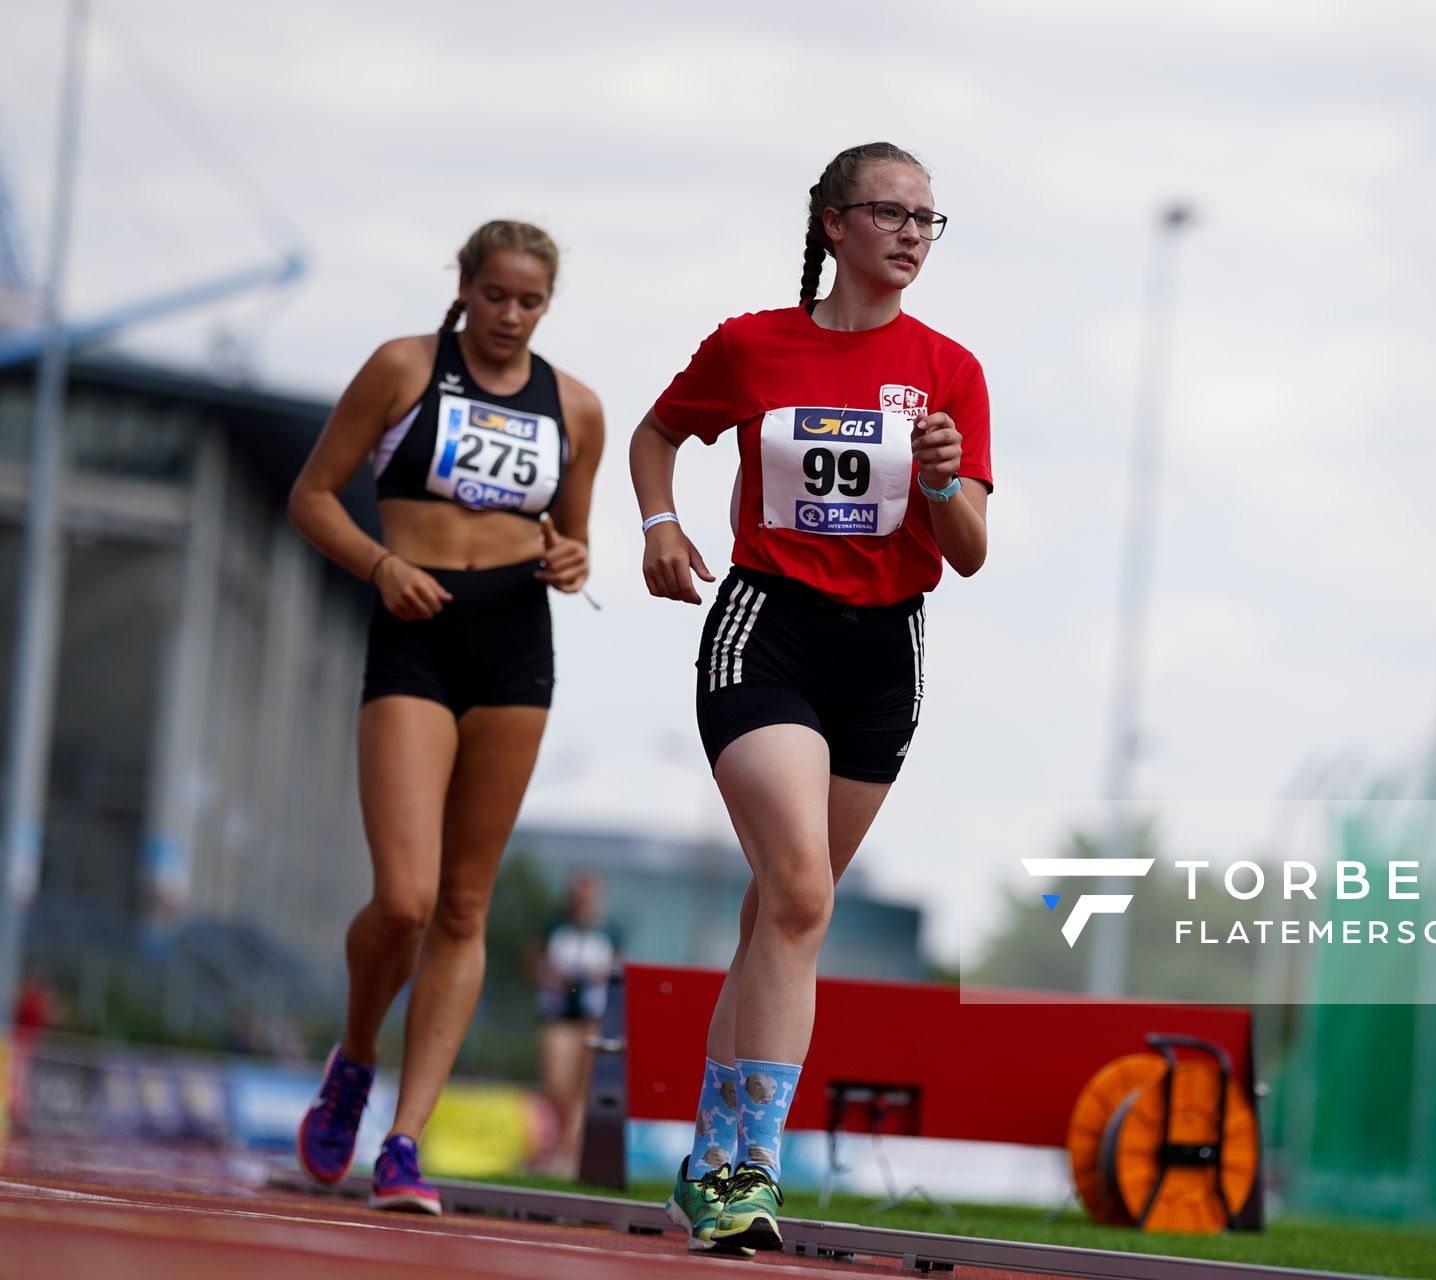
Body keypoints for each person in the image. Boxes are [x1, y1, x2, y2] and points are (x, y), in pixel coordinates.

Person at [631, 142, 991, 1252]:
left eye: (930, 219)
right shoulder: (753, 346)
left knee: (778, 910)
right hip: (766, 629)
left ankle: (709, 1148)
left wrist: (938, 476)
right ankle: (748, 1168)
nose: (913, 234)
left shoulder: (950, 369)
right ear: (834, 223)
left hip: (883, 656)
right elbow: (659, 432)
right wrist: (660, 521)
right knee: (798, 892)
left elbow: (970, 551)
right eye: (891, 212)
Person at [286, 220, 604, 1214]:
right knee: (406, 900)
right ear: (463, 288)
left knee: (465, 905)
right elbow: (312, 496)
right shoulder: (402, 367)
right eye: (496, 296)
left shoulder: (577, 407)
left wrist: (571, 560)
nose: (511, 317)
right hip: (414, 634)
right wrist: (381, 563)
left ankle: (405, 1140)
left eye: (531, 302)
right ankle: (357, 1054)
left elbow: (575, 540)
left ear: (548, 304)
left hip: (513, 647)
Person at [533, 869, 624, 1175]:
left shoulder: (609, 931)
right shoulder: (554, 927)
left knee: (587, 1087)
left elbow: (619, 969)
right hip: (560, 1014)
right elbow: (534, 961)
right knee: (557, 1084)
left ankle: (569, 1151)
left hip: (593, 1017)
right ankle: (563, 1141)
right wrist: (550, 975)